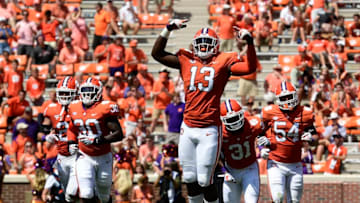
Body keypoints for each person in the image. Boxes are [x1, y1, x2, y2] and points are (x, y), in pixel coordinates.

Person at [151, 19, 258, 203]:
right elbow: (157, 54)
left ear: (215, 46)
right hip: (188, 127)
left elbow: (250, 67)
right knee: (189, 178)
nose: (203, 47)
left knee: (204, 179)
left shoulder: (223, 61)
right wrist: (167, 29)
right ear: (194, 45)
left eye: (207, 43)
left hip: (209, 129)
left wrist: (249, 42)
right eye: (200, 43)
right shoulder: (186, 59)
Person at [67, 77, 124, 203]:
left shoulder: (105, 107)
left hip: (104, 156)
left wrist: (98, 140)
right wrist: (71, 142)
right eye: (85, 91)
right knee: (86, 193)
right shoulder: (74, 107)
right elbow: (72, 129)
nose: (87, 94)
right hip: (84, 155)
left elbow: (118, 134)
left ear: (98, 92)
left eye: (91, 91)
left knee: (104, 194)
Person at [260, 81, 316, 203]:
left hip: (295, 164)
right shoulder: (268, 112)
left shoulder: (306, 113)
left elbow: (315, 138)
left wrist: (311, 138)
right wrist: (262, 146)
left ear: (295, 95)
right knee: (277, 198)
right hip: (276, 163)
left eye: (289, 97)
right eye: (283, 98)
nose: (287, 101)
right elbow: (259, 132)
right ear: (277, 99)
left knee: (294, 200)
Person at [220, 99, 264, 203]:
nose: (234, 122)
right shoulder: (219, 132)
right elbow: (215, 155)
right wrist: (223, 170)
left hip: (250, 169)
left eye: (235, 118)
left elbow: (268, 131)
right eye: (230, 120)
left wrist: (265, 146)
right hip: (231, 170)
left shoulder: (253, 123)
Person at [42, 76, 78, 202]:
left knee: (82, 191)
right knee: (68, 193)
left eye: (67, 93)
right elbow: (45, 127)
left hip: (79, 154)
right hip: (62, 155)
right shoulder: (52, 109)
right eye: (61, 93)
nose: (64, 96)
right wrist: (50, 136)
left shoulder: (81, 109)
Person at [150, 68, 174, 132]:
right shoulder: (156, 83)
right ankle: (149, 135)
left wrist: (166, 92)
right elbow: (153, 94)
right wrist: (160, 92)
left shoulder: (170, 84)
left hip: (166, 106)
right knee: (154, 121)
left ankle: (167, 136)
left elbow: (172, 96)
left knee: (166, 122)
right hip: (157, 105)